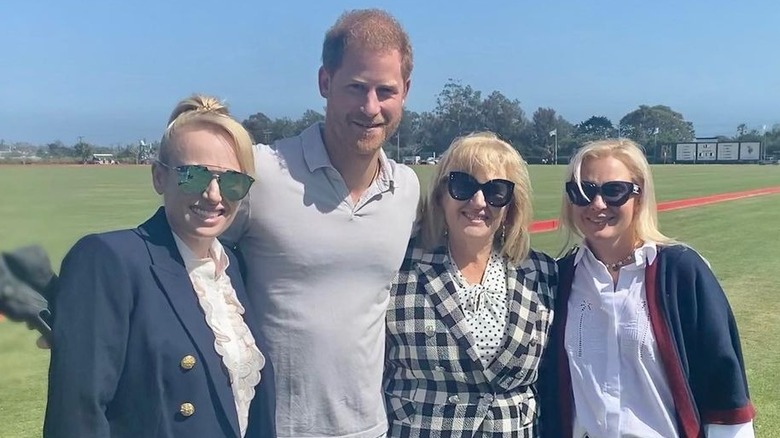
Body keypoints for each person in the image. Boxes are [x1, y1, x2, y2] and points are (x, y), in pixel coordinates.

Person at [220, 9, 420, 438]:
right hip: (272, 429)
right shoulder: (263, 173)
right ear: (325, 83)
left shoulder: (406, 189)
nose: (370, 108)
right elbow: (183, 257)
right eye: (355, 88)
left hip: (371, 429)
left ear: (405, 91)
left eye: (385, 90)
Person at [43, 95, 276, 438]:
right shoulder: (108, 260)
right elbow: (78, 414)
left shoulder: (233, 267)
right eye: (194, 176)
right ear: (158, 177)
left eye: (232, 181)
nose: (214, 194)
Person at [547, 138, 755, 437]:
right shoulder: (562, 278)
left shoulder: (682, 271)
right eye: (583, 191)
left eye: (614, 191)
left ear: (639, 197)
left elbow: (725, 391)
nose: (597, 204)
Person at [384, 132, 557, 436]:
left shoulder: (543, 272)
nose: (478, 202)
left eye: (496, 191)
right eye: (463, 186)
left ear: (510, 207)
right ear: (441, 195)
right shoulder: (398, 267)